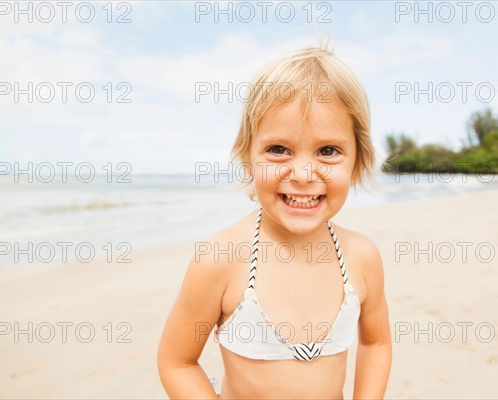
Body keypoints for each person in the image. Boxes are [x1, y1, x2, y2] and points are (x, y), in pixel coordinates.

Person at [157, 46, 392, 399]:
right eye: (279, 149)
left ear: (358, 160)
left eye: (327, 151)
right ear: (248, 156)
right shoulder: (221, 258)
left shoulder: (361, 257)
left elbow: (376, 343)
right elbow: (177, 362)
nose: (301, 174)